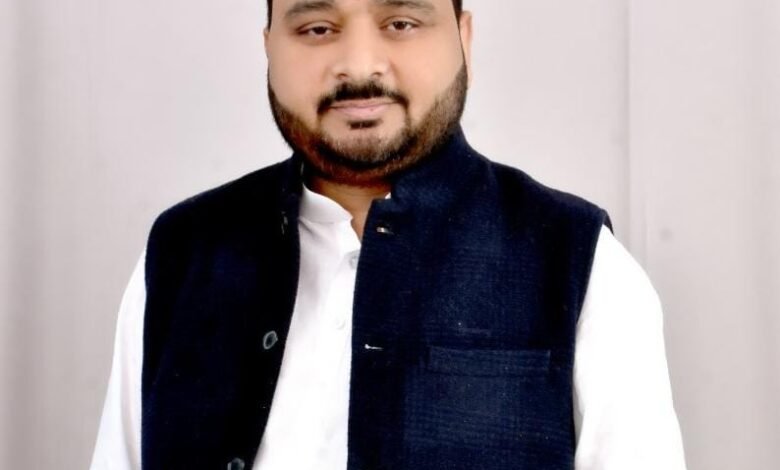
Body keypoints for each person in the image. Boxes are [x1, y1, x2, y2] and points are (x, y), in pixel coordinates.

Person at [90, 1, 687, 469]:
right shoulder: (182, 255)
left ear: (464, 39)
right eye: (317, 28)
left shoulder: (579, 261)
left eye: (400, 23)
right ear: (268, 45)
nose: (358, 66)